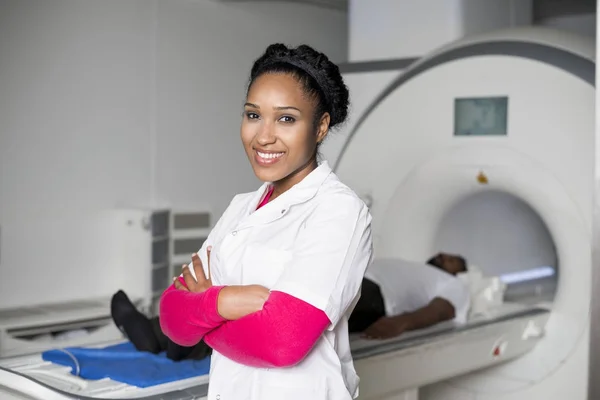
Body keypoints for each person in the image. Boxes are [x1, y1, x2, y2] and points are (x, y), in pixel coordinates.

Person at [158, 44, 373, 400]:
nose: (263, 136)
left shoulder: (338, 210)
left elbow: (282, 342)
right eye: (253, 115)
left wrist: (204, 313)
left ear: (320, 127)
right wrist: (227, 302)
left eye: (286, 119)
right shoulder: (240, 208)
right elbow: (171, 319)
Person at [349, 253, 470, 340]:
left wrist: (402, 322)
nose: (443, 256)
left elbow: (444, 308)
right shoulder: (416, 267)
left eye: (451, 260)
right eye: (446, 255)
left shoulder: (454, 282)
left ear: (457, 273)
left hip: (373, 291)